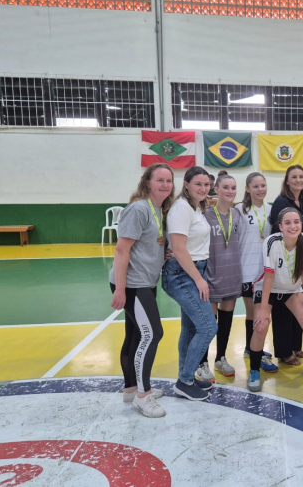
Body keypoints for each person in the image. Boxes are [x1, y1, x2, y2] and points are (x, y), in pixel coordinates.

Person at [109, 164, 174, 418]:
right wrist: (120, 289)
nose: (165, 185)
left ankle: (131, 389)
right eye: (160, 180)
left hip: (144, 282)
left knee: (136, 335)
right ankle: (143, 396)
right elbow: (121, 250)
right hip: (133, 284)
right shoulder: (138, 209)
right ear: (147, 182)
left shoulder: (157, 209)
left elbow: (146, 244)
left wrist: (161, 253)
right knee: (153, 334)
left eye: (169, 180)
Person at [248, 208, 303, 392]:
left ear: (301, 224)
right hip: (268, 289)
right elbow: (268, 277)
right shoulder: (272, 242)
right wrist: (263, 310)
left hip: (291, 290)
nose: (292, 226)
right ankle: (254, 370)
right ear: (280, 226)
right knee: (261, 325)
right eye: (287, 223)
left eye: (296, 222)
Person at [162, 166, 216, 401]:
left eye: (206, 185)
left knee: (191, 328)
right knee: (208, 327)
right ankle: (184, 381)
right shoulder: (181, 208)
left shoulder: (196, 207)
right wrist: (199, 279)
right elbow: (179, 248)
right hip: (182, 274)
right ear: (186, 184)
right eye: (198, 184)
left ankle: (186, 378)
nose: (203, 189)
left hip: (193, 270)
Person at [195, 173, 243, 382]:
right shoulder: (205, 214)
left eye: (233, 188)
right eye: (226, 187)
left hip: (232, 274)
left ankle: (220, 358)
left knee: (226, 320)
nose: (230, 191)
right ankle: (202, 362)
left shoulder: (237, 214)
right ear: (216, 189)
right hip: (211, 274)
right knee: (209, 323)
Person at [268, 165, 303, 364]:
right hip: (282, 259)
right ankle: (284, 352)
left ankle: (296, 346)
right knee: (282, 309)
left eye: (301, 177)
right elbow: (279, 231)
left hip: (299, 257)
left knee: (300, 304)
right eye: (294, 177)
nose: (298, 180)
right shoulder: (281, 202)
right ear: (287, 181)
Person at [236, 172, 278, 373]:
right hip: (246, 270)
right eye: (256, 186)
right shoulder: (239, 210)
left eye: (263, 185)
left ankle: (251, 348)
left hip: (266, 272)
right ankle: (255, 351)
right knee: (253, 313)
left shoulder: (271, 210)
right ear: (247, 188)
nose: (260, 189)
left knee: (260, 313)